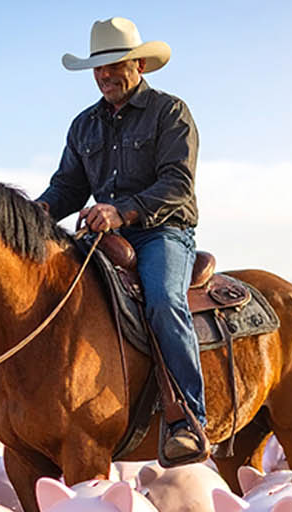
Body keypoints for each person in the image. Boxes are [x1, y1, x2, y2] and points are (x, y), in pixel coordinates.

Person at [34, 17, 207, 465]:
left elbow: (178, 184)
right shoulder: (84, 126)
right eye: (99, 67)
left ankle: (188, 418)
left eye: (115, 65)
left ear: (140, 65)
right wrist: (33, 215)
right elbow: (68, 187)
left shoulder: (170, 112)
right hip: (103, 234)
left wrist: (121, 210)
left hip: (162, 231)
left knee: (163, 301)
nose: (105, 74)